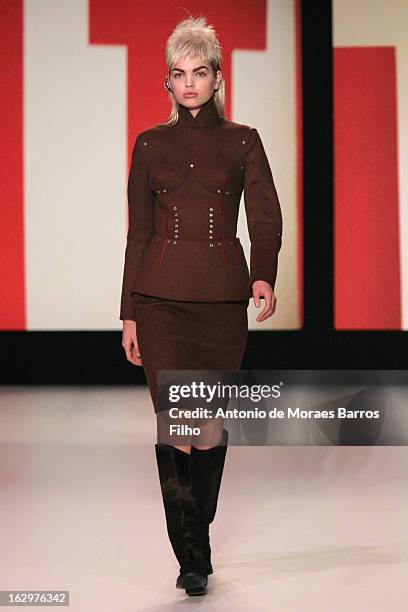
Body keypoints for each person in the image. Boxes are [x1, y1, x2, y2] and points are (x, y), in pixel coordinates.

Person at [120, 14, 283, 597]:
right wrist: (130, 311)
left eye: (200, 72)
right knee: (175, 424)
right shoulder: (149, 144)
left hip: (219, 301)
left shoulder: (242, 140)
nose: (189, 83)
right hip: (160, 302)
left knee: (208, 427)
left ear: (218, 77)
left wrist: (263, 275)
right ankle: (191, 554)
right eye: (179, 74)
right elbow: (138, 232)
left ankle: (200, 521)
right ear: (167, 82)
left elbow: (264, 215)